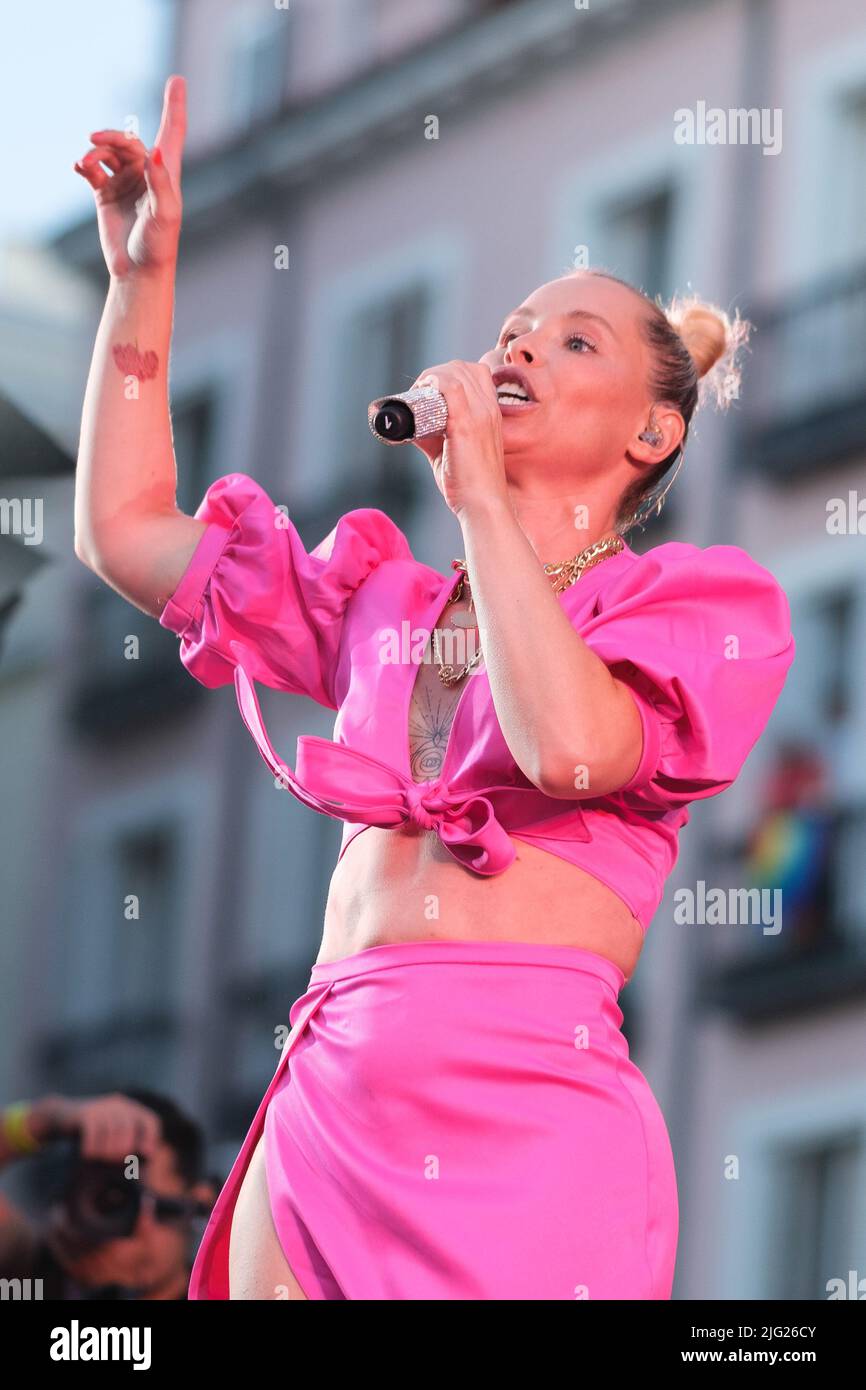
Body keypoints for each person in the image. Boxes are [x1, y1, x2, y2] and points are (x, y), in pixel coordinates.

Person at [72, 75, 795, 1300]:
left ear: (651, 435)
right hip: (328, 1097)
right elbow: (127, 532)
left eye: (575, 341)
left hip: (522, 1123)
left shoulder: (680, 606)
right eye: (516, 323)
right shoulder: (382, 601)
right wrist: (143, 277)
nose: (518, 343)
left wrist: (476, 505)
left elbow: (567, 745)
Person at [0, 1088, 216, 1299]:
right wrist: (46, 1121)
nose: (120, 1218)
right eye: (104, 1199)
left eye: (138, 1198)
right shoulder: (28, 1273)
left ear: (198, 1205)